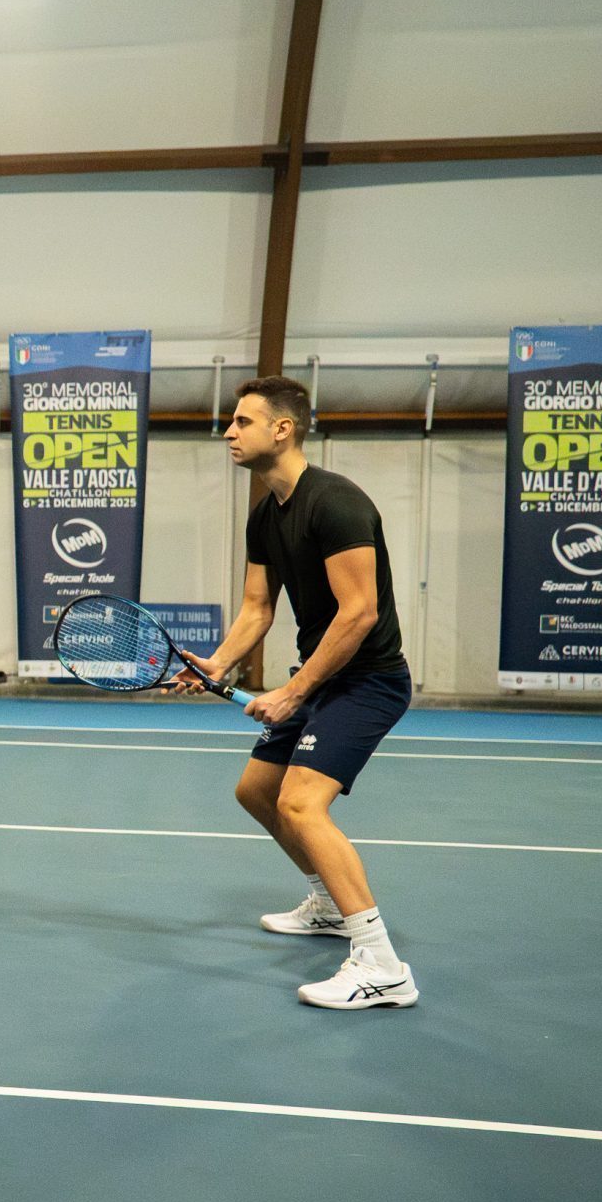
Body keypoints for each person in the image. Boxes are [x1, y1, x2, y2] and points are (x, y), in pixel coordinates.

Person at [177, 376, 417, 1009]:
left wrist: (292, 691)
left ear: (282, 429)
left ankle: (382, 965)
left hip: (367, 680)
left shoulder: (336, 503)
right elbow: (258, 608)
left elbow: (359, 613)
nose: (229, 432)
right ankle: (331, 905)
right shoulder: (265, 515)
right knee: (257, 792)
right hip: (321, 676)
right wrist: (218, 664)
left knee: (303, 803)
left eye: (242, 421)